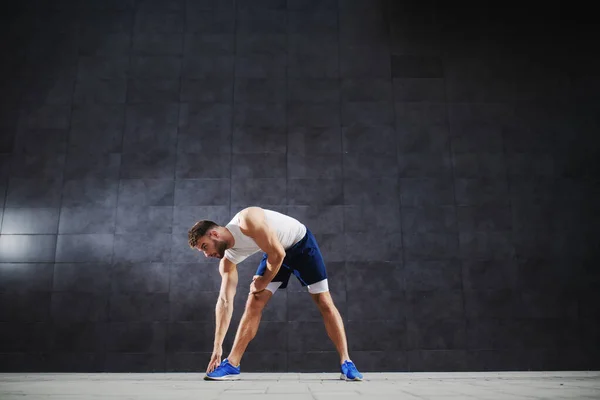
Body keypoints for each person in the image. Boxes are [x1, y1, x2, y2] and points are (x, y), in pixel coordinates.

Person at [187, 206, 363, 381]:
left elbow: (278, 254)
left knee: (324, 301)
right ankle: (232, 364)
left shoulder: (247, 219)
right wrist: (217, 347)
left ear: (215, 235)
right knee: (254, 301)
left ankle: (346, 362)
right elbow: (225, 301)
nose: (206, 255)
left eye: (205, 247)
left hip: (300, 245)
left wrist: (262, 281)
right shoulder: (228, 261)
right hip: (274, 252)